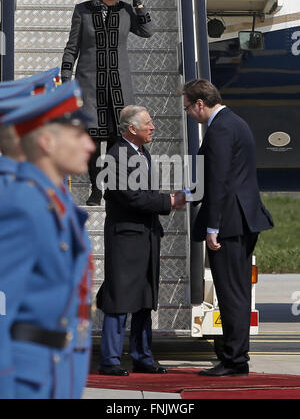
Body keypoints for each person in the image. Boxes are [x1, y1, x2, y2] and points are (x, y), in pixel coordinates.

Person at [0, 81, 95, 399]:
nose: (90, 146)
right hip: (25, 385)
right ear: (46, 142)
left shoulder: (56, 204)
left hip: (55, 375)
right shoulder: (22, 207)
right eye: (78, 134)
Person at [183, 79, 274, 377]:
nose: (188, 114)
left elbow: (219, 180)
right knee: (237, 291)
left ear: (200, 103)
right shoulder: (234, 122)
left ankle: (235, 361)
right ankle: (236, 356)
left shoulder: (221, 128)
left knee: (231, 292)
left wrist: (213, 226)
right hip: (242, 218)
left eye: (188, 108)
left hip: (230, 223)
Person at [96, 105, 185, 376]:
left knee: (145, 299)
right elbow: (130, 196)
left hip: (145, 236)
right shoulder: (115, 156)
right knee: (119, 299)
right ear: (132, 129)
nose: (153, 127)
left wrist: (164, 199)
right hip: (125, 239)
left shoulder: (142, 153)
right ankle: (110, 361)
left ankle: (142, 356)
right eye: (148, 123)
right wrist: (168, 201)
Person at [61, 0, 153, 206]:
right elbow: (72, 46)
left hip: (119, 88)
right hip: (90, 86)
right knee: (92, 141)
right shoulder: (82, 11)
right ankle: (95, 188)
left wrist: (137, 0)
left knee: (115, 139)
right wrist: (65, 75)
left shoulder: (126, 11)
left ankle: (111, 187)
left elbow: (147, 31)